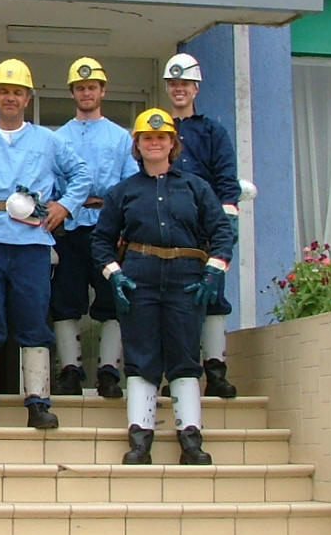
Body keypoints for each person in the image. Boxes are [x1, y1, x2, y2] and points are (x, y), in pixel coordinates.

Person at [0, 59, 90, 429]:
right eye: (5, 91)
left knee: (32, 318)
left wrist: (64, 205)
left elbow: (81, 175)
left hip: (32, 242)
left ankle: (38, 400)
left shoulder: (48, 140)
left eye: (18, 92)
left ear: (28, 98)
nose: (11, 98)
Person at [90, 107, 234, 465]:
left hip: (187, 279)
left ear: (173, 144)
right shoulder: (122, 192)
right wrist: (114, 274)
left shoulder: (196, 188)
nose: (154, 143)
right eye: (147, 138)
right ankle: (140, 439)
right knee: (141, 358)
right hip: (139, 277)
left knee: (185, 358)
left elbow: (221, 232)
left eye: (161, 137)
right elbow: (101, 240)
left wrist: (214, 272)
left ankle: (191, 440)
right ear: (137, 146)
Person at [50, 57, 137, 399]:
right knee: (64, 299)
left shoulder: (120, 137)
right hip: (68, 227)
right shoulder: (58, 137)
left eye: (92, 87)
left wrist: (123, 226)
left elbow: (131, 185)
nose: (86, 93)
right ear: (72, 92)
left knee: (111, 300)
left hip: (107, 228)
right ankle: (70, 369)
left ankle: (109, 371)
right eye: (80, 88)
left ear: (103, 91)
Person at [163, 52, 242, 398]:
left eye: (184, 84)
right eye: (173, 84)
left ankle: (216, 371)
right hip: (166, 226)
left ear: (196, 87)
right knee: (171, 302)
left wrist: (224, 227)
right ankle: (176, 375)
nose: (178, 90)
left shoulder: (214, 132)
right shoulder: (158, 129)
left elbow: (227, 181)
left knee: (213, 299)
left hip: (205, 227)